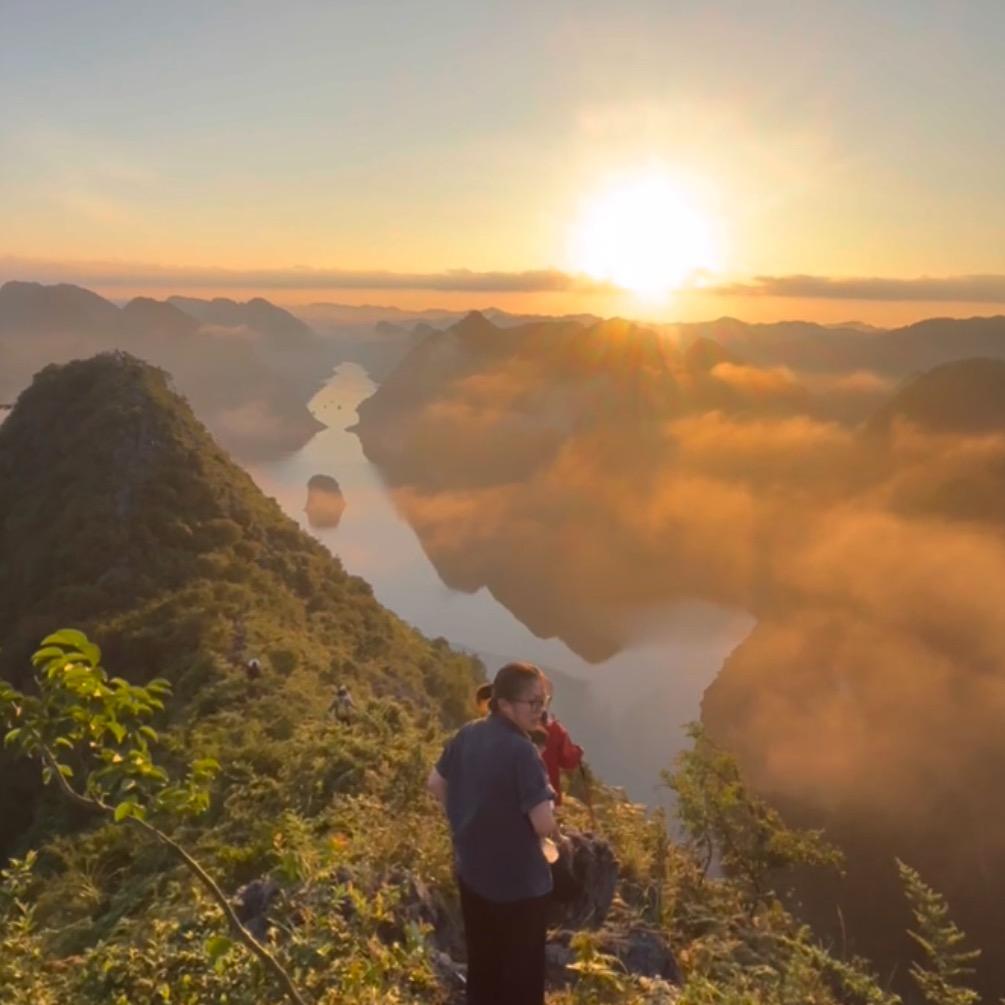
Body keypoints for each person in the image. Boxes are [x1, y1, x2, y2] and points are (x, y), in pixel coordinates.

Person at [428, 662, 557, 1005]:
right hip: (520, 886)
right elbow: (543, 823)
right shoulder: (523, 751)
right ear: (505, 704)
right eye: (533, 702)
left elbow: (436, 783)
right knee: (522, 981)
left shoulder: (468, 733)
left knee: (484, 968)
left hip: (473, 872)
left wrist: (465, 818)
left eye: (543, 701)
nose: (540, 710)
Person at [539, 689, 583, 807]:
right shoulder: (555, 729)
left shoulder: (513, 726)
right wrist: (578, 752)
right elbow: (568, 760)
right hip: (547, 797)